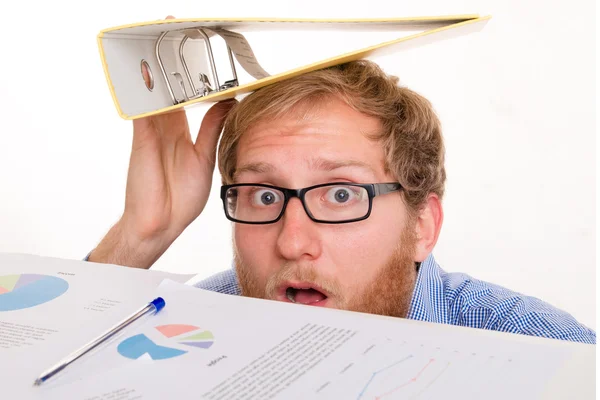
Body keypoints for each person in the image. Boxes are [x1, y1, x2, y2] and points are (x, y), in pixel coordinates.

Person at [86, 59, 595, 345]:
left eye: (341, 194)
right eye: (265, 195)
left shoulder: (543, 351)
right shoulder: (195, 318)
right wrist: (139, 237)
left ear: (423, 225)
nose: (292, 242)